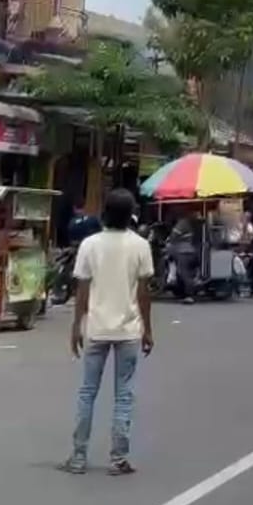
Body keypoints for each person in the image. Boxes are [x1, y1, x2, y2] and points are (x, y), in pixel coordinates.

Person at [60, 188, 154, 476]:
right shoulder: (140, 246)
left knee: (87, 392)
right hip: (128, 330)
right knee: (124, 395)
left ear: (105, 213)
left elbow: (82, 291)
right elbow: (144, 294)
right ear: (131, 215)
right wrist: (147, 329)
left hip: (97, 328)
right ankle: (118, 458)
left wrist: (76, 326)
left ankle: (78, 456)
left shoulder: (90, 245)